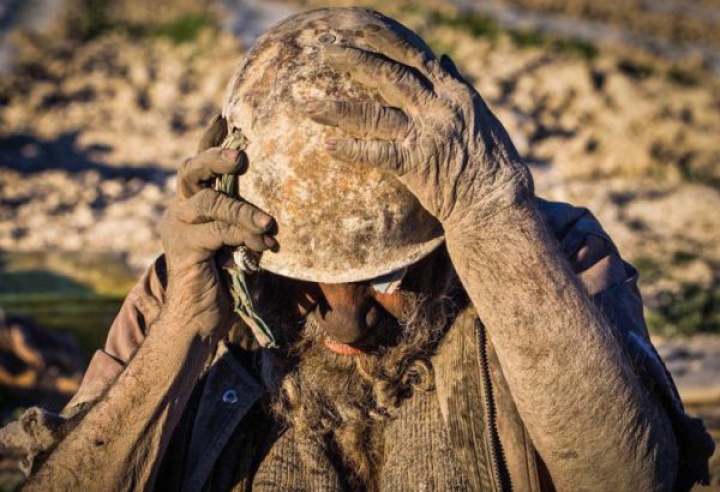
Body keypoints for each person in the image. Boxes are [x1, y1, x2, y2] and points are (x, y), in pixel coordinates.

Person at [1, 8, 713, 492]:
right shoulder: (190, 285)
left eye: (382, 276)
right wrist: (181, 335)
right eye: (304, 281)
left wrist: (493, 219)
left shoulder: (545, 248)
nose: (345, 320)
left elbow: (632, 476)